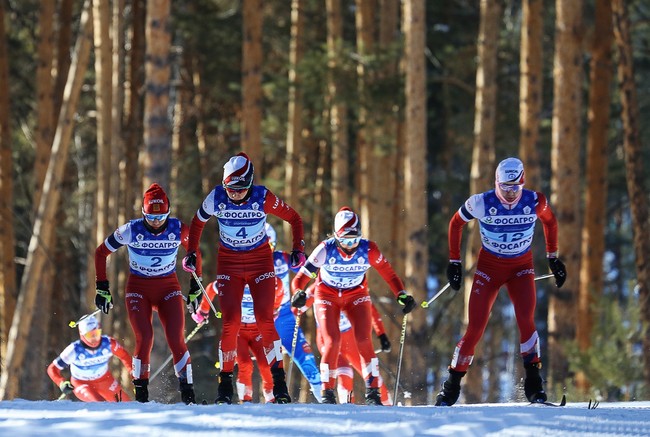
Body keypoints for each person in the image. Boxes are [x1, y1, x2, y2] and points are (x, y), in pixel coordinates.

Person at [435, 157, 567, 406]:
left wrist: (553, 257)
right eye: (505, 187)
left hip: (521, 267)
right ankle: (451, 387)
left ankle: (534, 385)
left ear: (522, 183)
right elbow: (456, 223)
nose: (509, 193)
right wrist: (454, 261)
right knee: (475, 327)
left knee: (526, 320)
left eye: (515, 188)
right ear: (496, 183)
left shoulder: (534, 201)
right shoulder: (481, 202)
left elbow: (550, 221)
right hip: (489, 268)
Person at [182, 152, 306, 405]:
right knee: (231, 323)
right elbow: (197, 223)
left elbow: (294, 218)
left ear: (250, 184)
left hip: (260, 262)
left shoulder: (262, 197)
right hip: (229, 263)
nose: (235, 194)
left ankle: (279, 384)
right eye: (231, 188)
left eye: (241, 189)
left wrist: (298, 249)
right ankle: (225, 386)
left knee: (265, 320)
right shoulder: (217, 196)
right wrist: (192, 253)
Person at [291, 206, 416, 405]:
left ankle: (373, 392)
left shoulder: (369, 249)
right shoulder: (326, 249)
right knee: (332, 342)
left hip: (356, 295)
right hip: (327, 295)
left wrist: (401, 295)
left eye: (355, 240)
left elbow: (389, 274)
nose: (350, 246)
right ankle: (327, 393)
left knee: (364, 340)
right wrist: (299, 292)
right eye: (346, 241)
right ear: (336, 237)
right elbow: (300, 279)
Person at [94, 183, 202, 404]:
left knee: (176, 338)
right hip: (139, 290)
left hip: (168, 289)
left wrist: (195, 287)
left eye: (161, 217)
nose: (156, 222)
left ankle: (188, 393)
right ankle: (141, 395)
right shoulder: (131, 230)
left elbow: (195, 252)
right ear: (143, 213)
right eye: (151, 218)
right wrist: (102, 287)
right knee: (145, 337)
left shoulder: (178, 229)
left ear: (168, 212)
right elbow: (101, 252)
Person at [302, 283, 393, 405]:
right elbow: (296, 309)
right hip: (328, 339)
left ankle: (388, 408)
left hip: (350, 340)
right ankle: (347, 408)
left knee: (373, 378)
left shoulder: (353, 283)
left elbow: (370, 311)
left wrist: (381, 334)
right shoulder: (319, 286)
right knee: (344, 372)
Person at [265, 223, 322, 403]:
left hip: (285, 317)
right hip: (260, 320)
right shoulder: (247, 265)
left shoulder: (281, 259)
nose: (265, 252)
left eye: (269, 246)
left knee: (306, 357)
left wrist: (306, 295)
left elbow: (312, 273)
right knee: (268, 364)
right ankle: (269, 402)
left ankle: (324, 396)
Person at [47, 314, 132, 402]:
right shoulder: (74, 350)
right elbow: (52, 368)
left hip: (105, 380)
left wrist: (135, 376)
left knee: (126, 403)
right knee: (99, 403)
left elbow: (125, 356)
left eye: (97, 333)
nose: (95, 338)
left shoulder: (109, 344)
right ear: (82, 335)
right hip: (81, 383)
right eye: (90, 335)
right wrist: (61, 382)